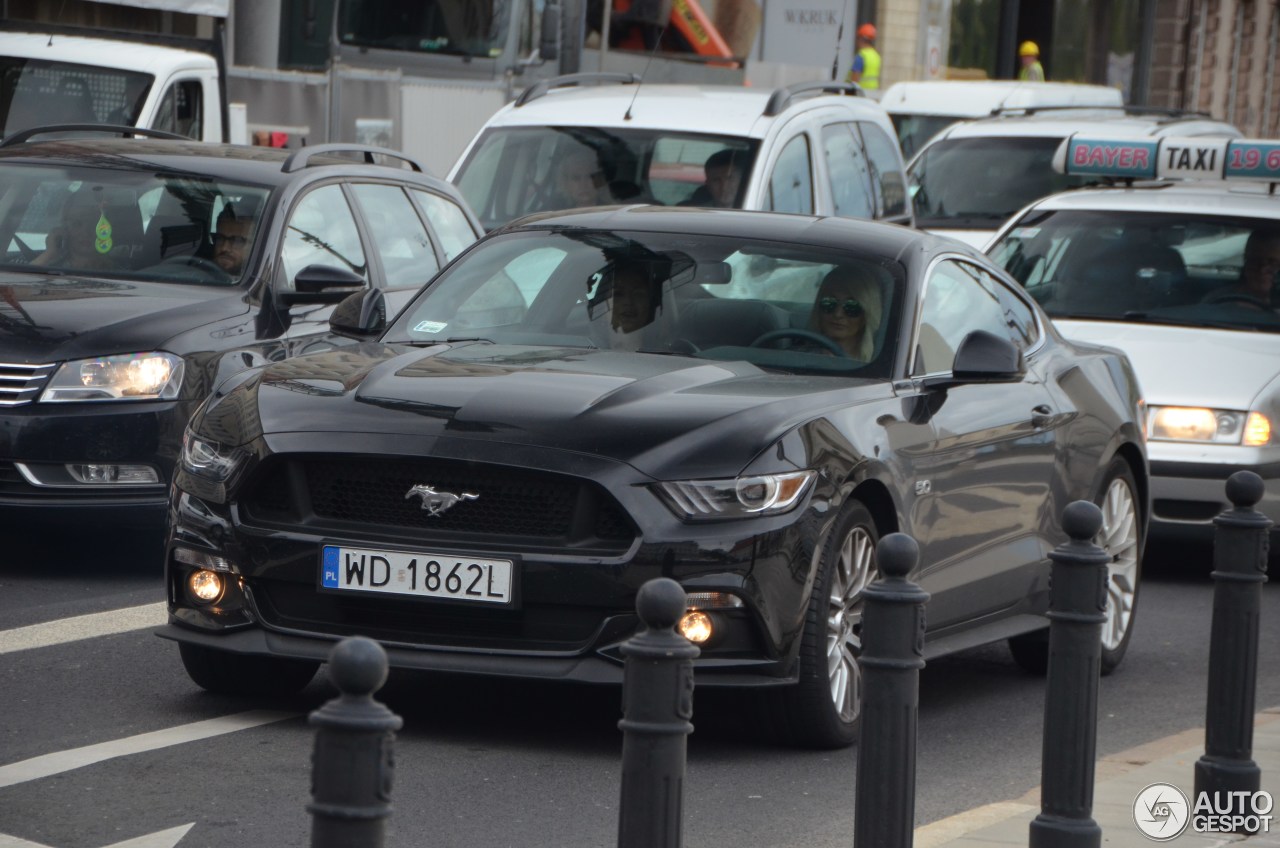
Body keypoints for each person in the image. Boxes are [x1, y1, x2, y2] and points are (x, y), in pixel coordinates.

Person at [32, 190, 123, 272]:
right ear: (64, 229)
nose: (85, 232)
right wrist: (49, 253)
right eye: (77, 224)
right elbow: (26, 282)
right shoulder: (49, 268)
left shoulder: (120, 274)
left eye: (95, 225)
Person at [809, 265, 883, 360]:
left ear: (866, 315)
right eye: (829, 302)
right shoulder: (797, 357)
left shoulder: (882, 364)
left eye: (851, 306)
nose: (838, 314)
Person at [1207, 229, 1280, 306]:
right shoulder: (1218, 299)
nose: (1262, 269)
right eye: (1255, 260)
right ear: (1246, 261)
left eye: (1273, 263)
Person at [545, 145, 606, 211]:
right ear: (565, 183)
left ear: (599, 180)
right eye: (576, 178)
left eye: (589, 177)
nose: (583, 185)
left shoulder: (613, 210)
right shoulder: (554, 215)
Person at [680, 149, 745, 208]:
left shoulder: (752, 211)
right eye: (716, 180)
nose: (724, 187)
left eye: (730, 179)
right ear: (708, 185)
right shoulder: (697, 214)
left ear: (742, 180)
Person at [212, 202, 258, 275]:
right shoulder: (195, 274)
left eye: (237, 241)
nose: (224, 248)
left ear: (255, 246)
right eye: (220, 238)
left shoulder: (258, 282)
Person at [846, 23, 881, 91]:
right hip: (872, 94)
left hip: (860, 94)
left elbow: (854, 80)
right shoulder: (876, 56)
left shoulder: (861, 56)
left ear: (861, 39)